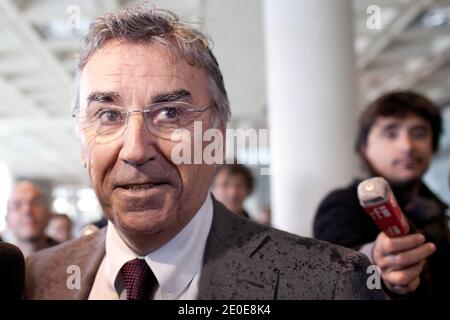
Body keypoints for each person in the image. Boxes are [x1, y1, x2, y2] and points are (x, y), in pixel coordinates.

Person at [25, 1, 385, 300]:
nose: (135, 149)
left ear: (217, 135)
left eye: (169, 114)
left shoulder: (328, 283)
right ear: (83, 141)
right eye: (108, 115)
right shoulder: (34, 278)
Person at [314, 91, 450, 299]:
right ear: (364, 146)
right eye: (391, 133)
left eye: (419, 133)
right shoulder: (341, 205)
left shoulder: (433, 207)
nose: (407, 146)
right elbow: (332, 271)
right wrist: (375, 260)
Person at [6, 181, 58, 258]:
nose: (27, 210)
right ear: (7, 220)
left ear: (48, 215)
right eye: (17, 205)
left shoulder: (70, 258)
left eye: (35, 202)